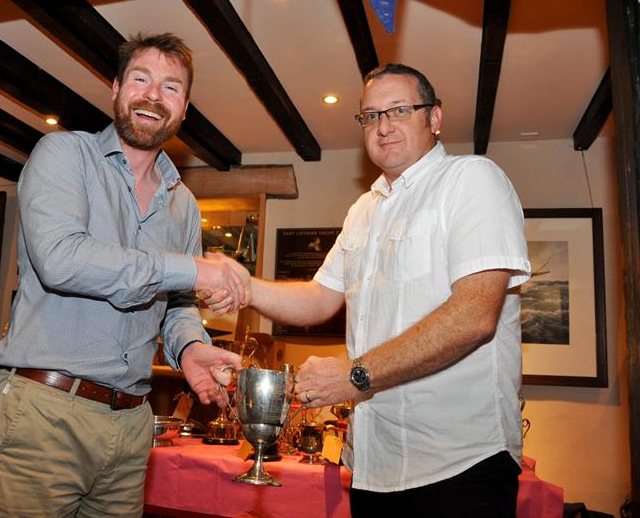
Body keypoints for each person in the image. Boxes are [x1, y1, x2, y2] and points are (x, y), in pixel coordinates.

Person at [206, 63, 530, 517]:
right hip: (373, 467)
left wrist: (355, 375)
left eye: (399, 109)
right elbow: (320, 298)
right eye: (371, 115)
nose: (384, 125)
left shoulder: (472, 180)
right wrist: (247, 288)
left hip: (460, 462)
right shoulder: (363, 210)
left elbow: (475, 316)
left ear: (434, 118)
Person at [0, 32, 244, 517]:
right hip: (43, 413)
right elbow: (61, 259)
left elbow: (177, 303)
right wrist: (193, 268)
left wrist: (191, 348)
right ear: (115, 88)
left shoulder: (183, 205)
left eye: (171, 87)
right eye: (141, 79)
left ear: (183, 111)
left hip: (133, 425)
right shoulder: (63, 154)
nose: (154, 96)